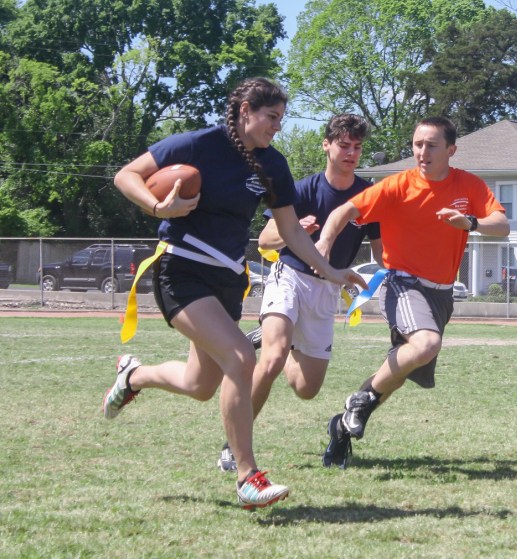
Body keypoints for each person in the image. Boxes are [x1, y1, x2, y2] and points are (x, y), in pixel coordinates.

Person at [102, 77, 365, 509]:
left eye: (281, 118)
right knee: (242, 358)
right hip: (181, 269)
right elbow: (126, 175)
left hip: (227, 279)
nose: (277, 126)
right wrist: (157, 208)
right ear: (245, 111)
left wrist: (331, 270)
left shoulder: (273, 165)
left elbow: (291, 234)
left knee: (199, 384)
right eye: (271, 117)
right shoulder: (198, 144)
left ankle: (132, 377)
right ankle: (247, 476)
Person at [315, 116, 510, 468]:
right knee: (425, 345)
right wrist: (323, 247)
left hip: (442, 294)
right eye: (417, 144)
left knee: (398, 374)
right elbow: (344, 211)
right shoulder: (396, 186)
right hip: (403, 284)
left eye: (431, 145)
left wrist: (470, 223)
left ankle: (343, 425)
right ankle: (358, 403)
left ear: (451, 150)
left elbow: (502, 225)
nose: (422, 151)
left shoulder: (469, 186)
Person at [217, 113, 383, 472]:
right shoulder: (303, 189)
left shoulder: (369, 196)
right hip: (289, 276)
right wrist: (297, 230)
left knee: (307, 389)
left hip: (327, 289)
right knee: (272, 358)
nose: (351, 152)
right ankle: (235, 445)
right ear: (326, 145)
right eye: (344, 145)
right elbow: (264, 241)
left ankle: (284, 335)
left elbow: (383, 251)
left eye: (357, 147)